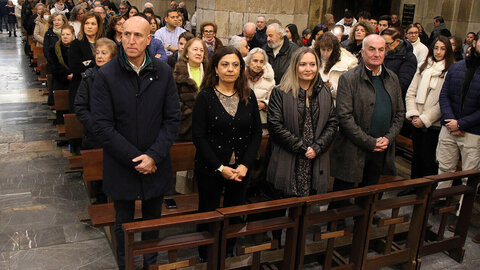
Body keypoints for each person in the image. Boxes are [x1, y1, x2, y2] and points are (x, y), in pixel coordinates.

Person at [90, 16, 181, 269]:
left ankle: (149, 264)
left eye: (138, 35)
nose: (131, 40)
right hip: (122, 165)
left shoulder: (163, 72)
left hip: (156, 163)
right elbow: (102, 126)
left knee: (153, 222)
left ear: (149, 39)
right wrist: (137, 158)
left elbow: (172, 119)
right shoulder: (107, 74)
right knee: (123, 224)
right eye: (126, 34)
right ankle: (126, 265)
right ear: (120, 37)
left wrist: (153, 156)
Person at [192, 46, 262, 260]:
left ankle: (228, 250)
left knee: (234, 212)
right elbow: (199, 137)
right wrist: (220, 167)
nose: (230, 69)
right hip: (211, 168)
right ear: (215, 68)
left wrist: (245, 165)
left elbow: (256, 134)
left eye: (235, 65)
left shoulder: (248, 96)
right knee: (208, 213)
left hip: (240, 169)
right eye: (225, 64)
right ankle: (206, 254)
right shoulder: (205, 98)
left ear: (241, 69)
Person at [330, 34, 405, 195]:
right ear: (362, 52)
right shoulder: (349, 79)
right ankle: (339, 219)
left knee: (371, 194)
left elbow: (399, 113)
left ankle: (364, 220)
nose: (376, 54)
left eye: (381, 49)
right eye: (372, 49)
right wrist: (370, 142)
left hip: (382, 148)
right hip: (353, 148)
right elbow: (344, 116)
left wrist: (388, 138)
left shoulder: (392, 78)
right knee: (342, 196)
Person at [267, 45, 338, 197]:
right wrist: (302, 148)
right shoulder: (280, 92)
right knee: (283, 202)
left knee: (309, 203)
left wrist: (317, 147)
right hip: (290, 155)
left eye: (312, 64)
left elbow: (332, 123)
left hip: (315, 157)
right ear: (295, 66)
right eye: (303, 64)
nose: (308, 69)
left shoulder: (324, 92)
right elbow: (275, 126)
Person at [437, 31, 480, 237]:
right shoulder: (457, 66)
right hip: (449, 127)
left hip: (473, 132)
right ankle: (438, 206)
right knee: (444, 168)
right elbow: (444, 94)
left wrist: (461, 123)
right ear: (476, 42)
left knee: (468, 177)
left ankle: (460, 216)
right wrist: (450, 120)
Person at [405, 36, 453, 181]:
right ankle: (413, 185)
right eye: (436, 48)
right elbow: (411, 92)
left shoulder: (449, 70)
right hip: (416, 119)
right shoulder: (424, 66)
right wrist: (414, 114)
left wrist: (425, 119)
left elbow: (443, 101)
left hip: (433, 124)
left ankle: (424, 191)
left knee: (428, 159)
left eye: (442, 49)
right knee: (416, 156)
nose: (438, 52)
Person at [75, 37, 118, 151]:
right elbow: (80, 107)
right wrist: (96, 126)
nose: (99, 56)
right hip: (94, 134)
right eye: (97, 53)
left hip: (117, 132)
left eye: (104, 53)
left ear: (112, 56)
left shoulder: (120, 77)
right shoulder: (88, 77)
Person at [174, 38, 208, 141]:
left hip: (208, 124)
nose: (199, 53)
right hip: (186, 126)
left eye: (201, 50)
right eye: (195, 49)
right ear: (187, 53)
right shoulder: (178, 73)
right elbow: (173, 99)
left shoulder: (210, 73)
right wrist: (189, 113)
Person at [68, 11, 103, 112]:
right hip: (80, 86)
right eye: (86, 23)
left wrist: (86, 62)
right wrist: (93, 62)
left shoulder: (104, 42)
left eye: (93, 24)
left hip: (100, 87)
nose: (89, 27)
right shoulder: (76, 44)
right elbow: (75, 67)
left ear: (98, 26)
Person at [315, 32, 358, 103]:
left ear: (333, 50)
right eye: (323, 49)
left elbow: (349, 92)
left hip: (334, 105)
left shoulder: (347, 64)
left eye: (328, 50)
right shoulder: (312, 60)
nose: (325, 53)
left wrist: (331, 88)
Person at [381, 27, 417, 98]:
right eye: (382, 43)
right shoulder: (381, 53)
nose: (384, 47)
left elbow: (403, 83)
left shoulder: (408, 57)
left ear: (397, 41)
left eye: (387, 44)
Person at [244, 48, 275, 128]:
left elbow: (273, 100)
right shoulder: (240, 77)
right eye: (255, 61)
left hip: (262, 122)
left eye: (261, 62)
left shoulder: (269, 80)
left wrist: (264, 104)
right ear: (248, 61)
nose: (258, 65)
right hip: (243, 120)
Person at [48, 24, 74, 98]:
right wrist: (67, 76)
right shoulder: (54, 48)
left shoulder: (78, 47)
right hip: (60, 79)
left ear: (73, 35)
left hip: (75, 78)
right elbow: (54, 66)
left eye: (68, 34)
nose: (65, 36)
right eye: (63, 34)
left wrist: (74, 75)